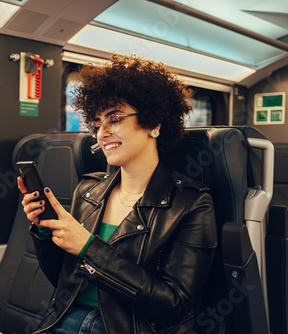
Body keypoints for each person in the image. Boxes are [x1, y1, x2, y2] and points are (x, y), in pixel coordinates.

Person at [17, 54, 217, 333]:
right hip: (63, 319)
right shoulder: (88, 191)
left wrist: (89, 248)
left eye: (115, 118)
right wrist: (43, 231)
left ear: (154, 123)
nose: (102, 133)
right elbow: (64, 281)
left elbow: (175, 304)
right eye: (97, 123)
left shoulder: (192, 204)